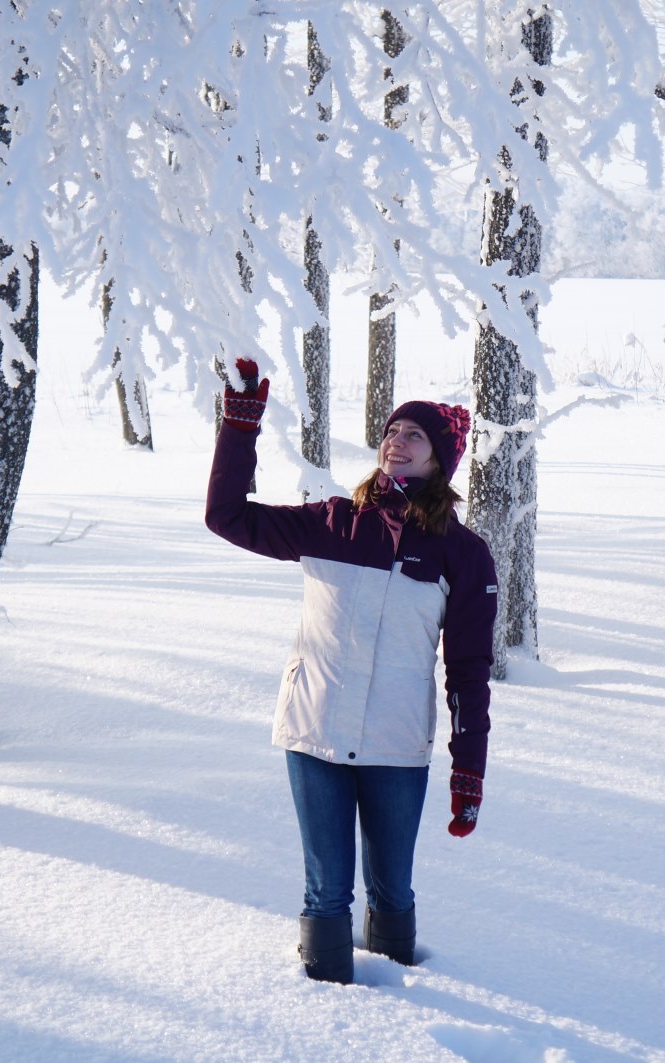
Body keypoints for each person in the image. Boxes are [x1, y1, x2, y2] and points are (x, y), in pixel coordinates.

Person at [205, 358, 498, 985]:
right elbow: (228, 517)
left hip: (396, 746)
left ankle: (406, 1012)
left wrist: (468, 766)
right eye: (392, 430)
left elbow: (469, 670)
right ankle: (329, 1017)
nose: (397, 441)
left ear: (441, 458)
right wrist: (239, 429)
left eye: (414, 435)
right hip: (315, 733)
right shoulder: (333, 522)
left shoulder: (463, 554)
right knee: (326, 894)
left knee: (391, 890)